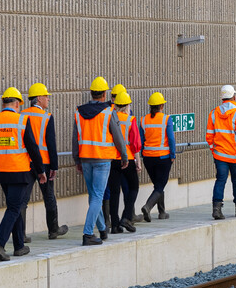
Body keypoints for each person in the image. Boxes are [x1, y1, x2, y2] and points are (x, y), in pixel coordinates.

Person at [0, 87, 45, 261]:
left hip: (3, 173)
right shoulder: (22, 120)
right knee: (13, 208)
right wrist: (41, 171)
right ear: (17, 104)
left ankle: (19, 246)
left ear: (3, 103)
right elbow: (33, 148)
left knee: (16, 206)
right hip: (20, 171)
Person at [72, 77, 129, 245]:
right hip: (102, 158)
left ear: (91, 93)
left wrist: (77, 159)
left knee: (93, 196)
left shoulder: (79, 112)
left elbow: (75, 139)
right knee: (97, 196)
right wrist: (124, 156)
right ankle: (88, 233)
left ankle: (102, 229)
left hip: (85, 158)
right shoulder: (108, 112)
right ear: (104, 94)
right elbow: (118, 136)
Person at [23, 82, 66, 239]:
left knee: (23, 199)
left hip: (26, 162)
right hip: (45, 163)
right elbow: (51, 143)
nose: (48, 99)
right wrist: (54, 166)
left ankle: (21, 234)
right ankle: (53, 230)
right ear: (39, 98)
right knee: (49, 196)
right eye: (46, 96)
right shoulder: (47, 117)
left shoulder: (21, 115)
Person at [206, 84, 236, 219]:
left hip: (220, 155)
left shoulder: (214, 113)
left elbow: (209, 136)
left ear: (222, 98)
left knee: (220, 180)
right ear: (234, 96)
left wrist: (214, 150)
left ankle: (216, 209)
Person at [105, 89, 141, 234]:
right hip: (129, 158)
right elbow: (136, 144)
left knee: (114, 192)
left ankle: (114, 225)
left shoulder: (109, 118)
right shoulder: (131, 120)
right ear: (127, 106)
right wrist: (138, 161)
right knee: (133, 188)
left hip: (113, 159)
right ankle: (126, 217)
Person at [138, 91, 174, 222]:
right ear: (161, 106)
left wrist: (142, 155)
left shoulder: (143, 120)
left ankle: (162, 212)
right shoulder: (166, 119)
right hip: (163, 157)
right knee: (160, 186)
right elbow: (171, 138)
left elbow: (141, 140)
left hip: (148, 158)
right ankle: (147, 207)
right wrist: (173, 154)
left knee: (158, 185)